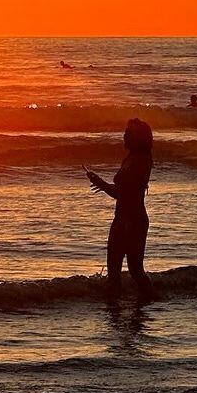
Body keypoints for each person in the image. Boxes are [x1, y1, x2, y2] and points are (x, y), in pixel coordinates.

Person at [85, 118, 153, 298]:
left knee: (134, 270)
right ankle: (117, 311)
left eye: (128, 133)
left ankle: (147, 303)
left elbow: (122, 193)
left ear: (137, 138)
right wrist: (101, 183)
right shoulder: (130, 158)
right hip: (122, 218)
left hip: (133, 221)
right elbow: (121, 191)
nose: (124, 136)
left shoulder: (140, 161)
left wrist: (100, 183)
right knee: (115, 271)